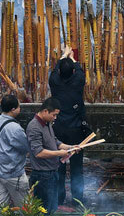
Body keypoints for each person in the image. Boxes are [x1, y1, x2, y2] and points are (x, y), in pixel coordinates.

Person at [26, 98, 80, 214]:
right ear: (45, 111)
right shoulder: (34, 127)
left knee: (52, 208)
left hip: (52, 172)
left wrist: (71, 147)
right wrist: (59, 153)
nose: (55, 118)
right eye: (54, 115)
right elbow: (38, 153)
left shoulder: (47, 123)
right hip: (42, 175)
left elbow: (55, 142)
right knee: (44, 210)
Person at [49, 47, 88, 207]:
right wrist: (71, 57)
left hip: (58, 129)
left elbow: (54, 70)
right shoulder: (78, 81)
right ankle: (77, 200)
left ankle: (59, 198)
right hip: (77, 130)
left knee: (59, 164)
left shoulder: (54, 83)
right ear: (72, 72)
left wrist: (64, 55)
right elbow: (79, 69)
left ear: (59, 72)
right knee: (77, 166)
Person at [0, 95, 30, 216]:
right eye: (19, 106)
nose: (20, 109)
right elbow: (25, 147)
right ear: (13, 109)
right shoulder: (14, 128)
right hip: (13, 173)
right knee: (24, 204)